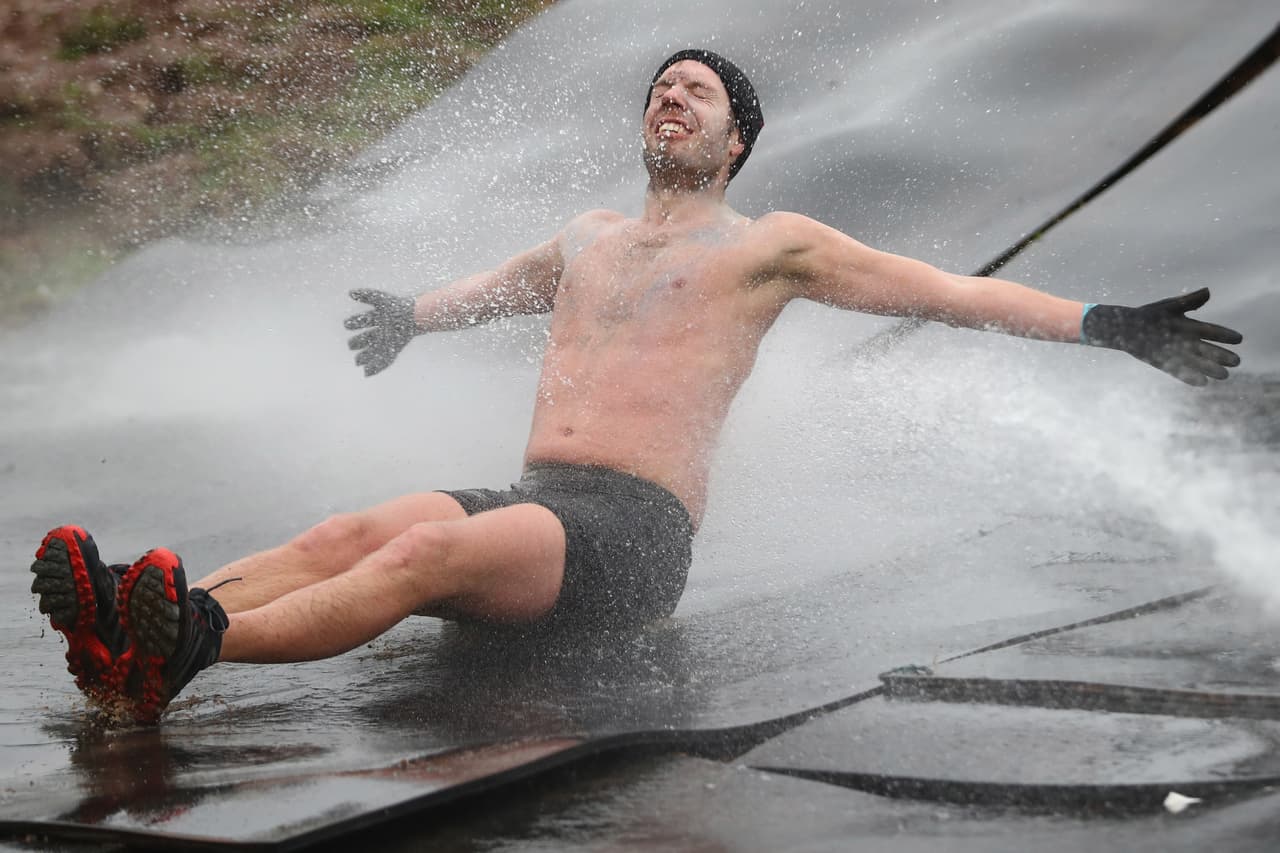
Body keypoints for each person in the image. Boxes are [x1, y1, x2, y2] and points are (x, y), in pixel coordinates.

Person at [31, 49, 1243, 724]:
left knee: (407, 566)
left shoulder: (771, 245)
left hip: (627, 537)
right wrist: (412, 316)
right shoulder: (589, 235)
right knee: (355, 528)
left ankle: (190, 645)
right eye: (658, 86)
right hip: (536, 497)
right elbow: (498, 287)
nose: (668, 95)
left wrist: (1104, 324)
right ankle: (125, 630)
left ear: (737, 143)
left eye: (696, 92)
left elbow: (945, 290)